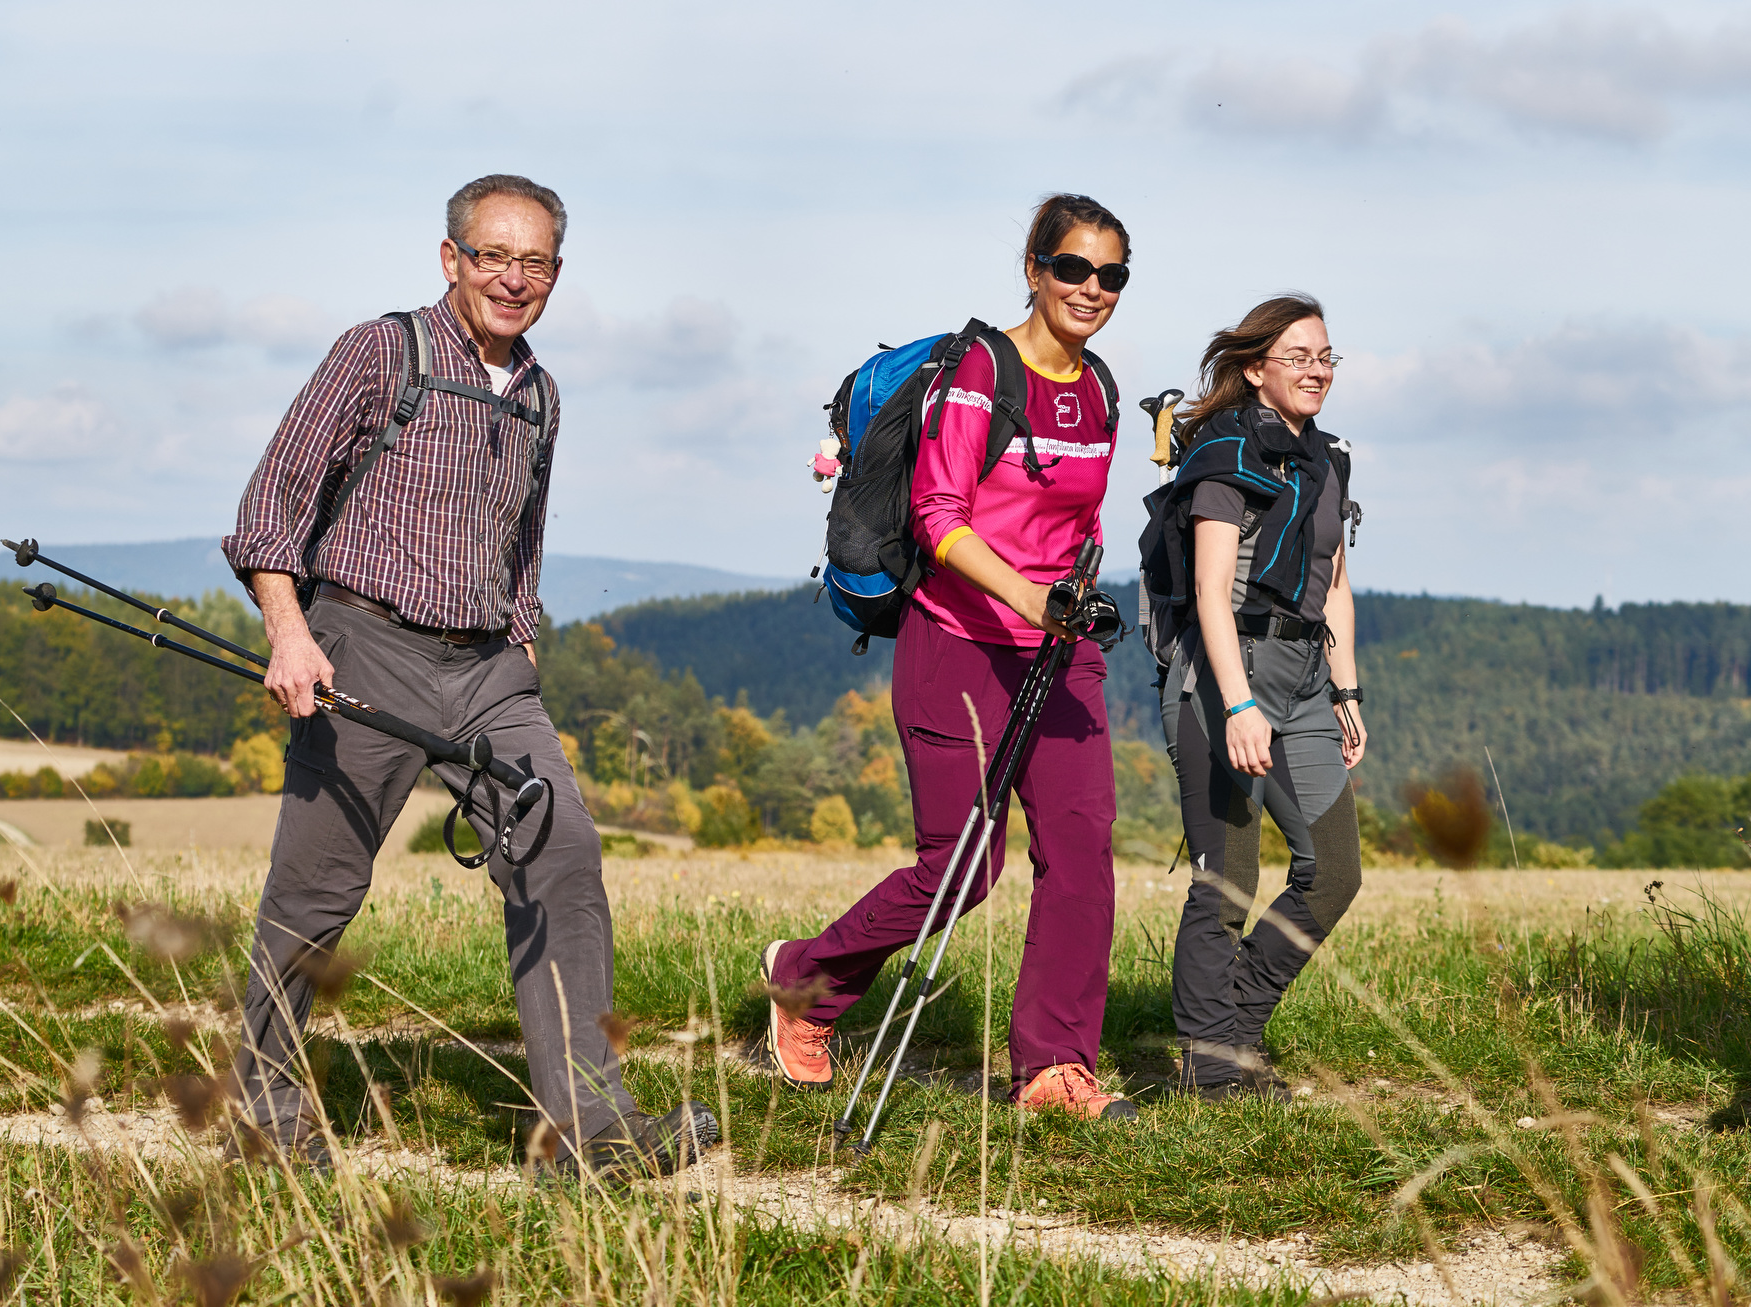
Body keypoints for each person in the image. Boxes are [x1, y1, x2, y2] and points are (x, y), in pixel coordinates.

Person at [220, 174, 717, 1175]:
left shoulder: (539, 390)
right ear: (451, 258)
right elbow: (272, 502)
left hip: (487, 666)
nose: (512, 276)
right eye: (493, 254)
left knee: (563, 850)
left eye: (533, 260)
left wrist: (520, 632)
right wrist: (289, 630)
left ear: (557, 275)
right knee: (315, 892)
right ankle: (263, 1116)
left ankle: (588, 1132)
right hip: (362, 642)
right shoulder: (380, 351)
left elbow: (522, 532)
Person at [761, 194, 1139, 1123]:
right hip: (958, 643)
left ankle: (1054, 1069)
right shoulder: (981, 370)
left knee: (1083, 856)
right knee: (964, 869)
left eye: (1112, 275)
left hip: (1057, 653)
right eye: (1074, 269)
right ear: (1034, 268)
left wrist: (1071, 600)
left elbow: (1080, 520)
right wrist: (1026, 595)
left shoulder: (1099, 393)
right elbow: (939, 517)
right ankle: (804, 980)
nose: (1092, 289)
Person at [1156, 295, 1366, 1100]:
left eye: (1326, 357)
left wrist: (1347, 689)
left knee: (1334, 871)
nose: (1317, 371)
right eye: (1299, 357)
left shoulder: (1328, 460)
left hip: (1306, 678)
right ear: (1255, 369)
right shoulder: (1221, 452)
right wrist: (1239, 707)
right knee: (1229, 879)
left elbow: (1336, 584)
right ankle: (1212, 1070)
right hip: (1223, 677)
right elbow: (1211, 590)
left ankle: (1235, 1023)